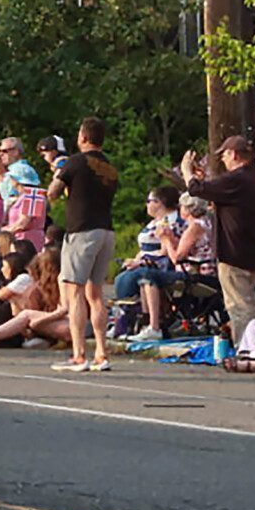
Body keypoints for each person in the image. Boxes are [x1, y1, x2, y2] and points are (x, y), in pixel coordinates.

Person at [178, 134, 255, 347]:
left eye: (225, 155)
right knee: (252, 302)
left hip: (233, 252)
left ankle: (246, 349)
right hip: (251, 250)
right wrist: (204, 179)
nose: (224, 160)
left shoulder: (236, 179)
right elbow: (215, 190)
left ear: (234, 154)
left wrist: (187, 172)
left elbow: (197, 190)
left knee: (239, 306)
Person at [46, 117, 118, 373]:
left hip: (82, 231)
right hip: (106, 229)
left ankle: (79, 355)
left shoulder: (75, 162)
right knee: (95, 293)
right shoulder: (109, 167)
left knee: (75, 291)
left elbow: (52, 192)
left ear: (84, 137)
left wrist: (58, 173)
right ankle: (102, 351)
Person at [113, 189, 202, 342]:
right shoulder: (161, 223)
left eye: (149, 201)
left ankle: (149, 324)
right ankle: (135, 321)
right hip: (160, 263)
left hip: (177, 268)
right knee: (127, 275)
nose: (146, 205)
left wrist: (165, 240)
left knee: (143, 276)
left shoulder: (183, 224)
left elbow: (174, 255)